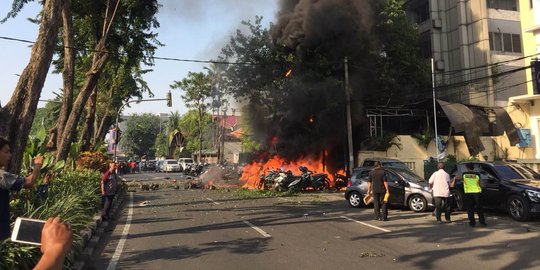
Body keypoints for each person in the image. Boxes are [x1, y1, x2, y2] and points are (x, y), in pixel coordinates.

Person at [0, 137, 43, 240]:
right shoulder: (2, 176)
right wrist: (37, 166)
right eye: (6, 152)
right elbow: (29, 182)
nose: (10, 155)